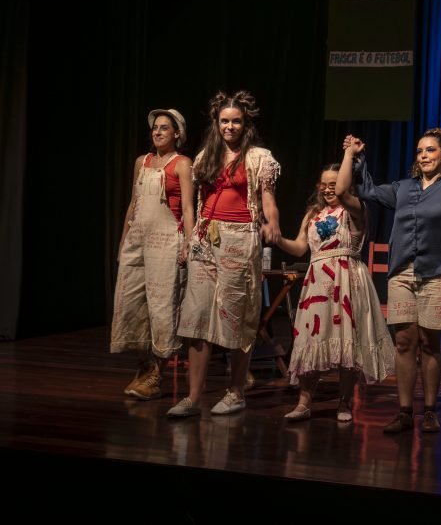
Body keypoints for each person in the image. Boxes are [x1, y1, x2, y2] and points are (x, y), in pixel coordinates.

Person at [348, 117, 441, 434]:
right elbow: (366, 189)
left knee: (430, 343)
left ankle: (430, 410)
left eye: (430, 150)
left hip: (438, 272)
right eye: (419, 150)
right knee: (405, 342)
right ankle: (404, 410)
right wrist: (357, 157)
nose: (423, 155)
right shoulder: (402, 189)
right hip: (402, 272)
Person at [168, 90, 281, 418]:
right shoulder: (207, 156)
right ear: (216, 124)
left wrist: (272, 222)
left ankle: (236, 391)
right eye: (224, 121)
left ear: (246, 125)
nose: (229, 127)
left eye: (236, 122)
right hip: (207, 236)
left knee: (236, 315)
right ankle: (192, 398)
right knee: (197, 317)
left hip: (240, 238)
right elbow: (198, 202)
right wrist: (191, 239)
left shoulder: (259, 157)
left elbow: (268, 197)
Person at [276, 157, 395, 422]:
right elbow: (299, 247)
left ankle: (344, 402)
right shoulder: (312, 215)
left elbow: (343, 192)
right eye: (324, 185)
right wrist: (277, 239)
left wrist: (349, 155)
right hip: (318, 279)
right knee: (311, 339)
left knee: (346, 343)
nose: (329, 189)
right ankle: (304, 402)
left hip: (346, 277)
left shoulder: (356, 209)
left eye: (334, 184)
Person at [111, 108, 195, 400]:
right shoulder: (141, 162)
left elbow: (187, 208)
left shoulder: (182, 164)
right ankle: (143, 366)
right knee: (133, 302)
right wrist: (124, 241)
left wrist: (189, 242)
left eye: (164, 128)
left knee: (162, 305)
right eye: (155, 128)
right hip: (137, 238)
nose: (158, 132)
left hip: (166, 240)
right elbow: (134, 204)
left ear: (177, 134)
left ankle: (157, 374)